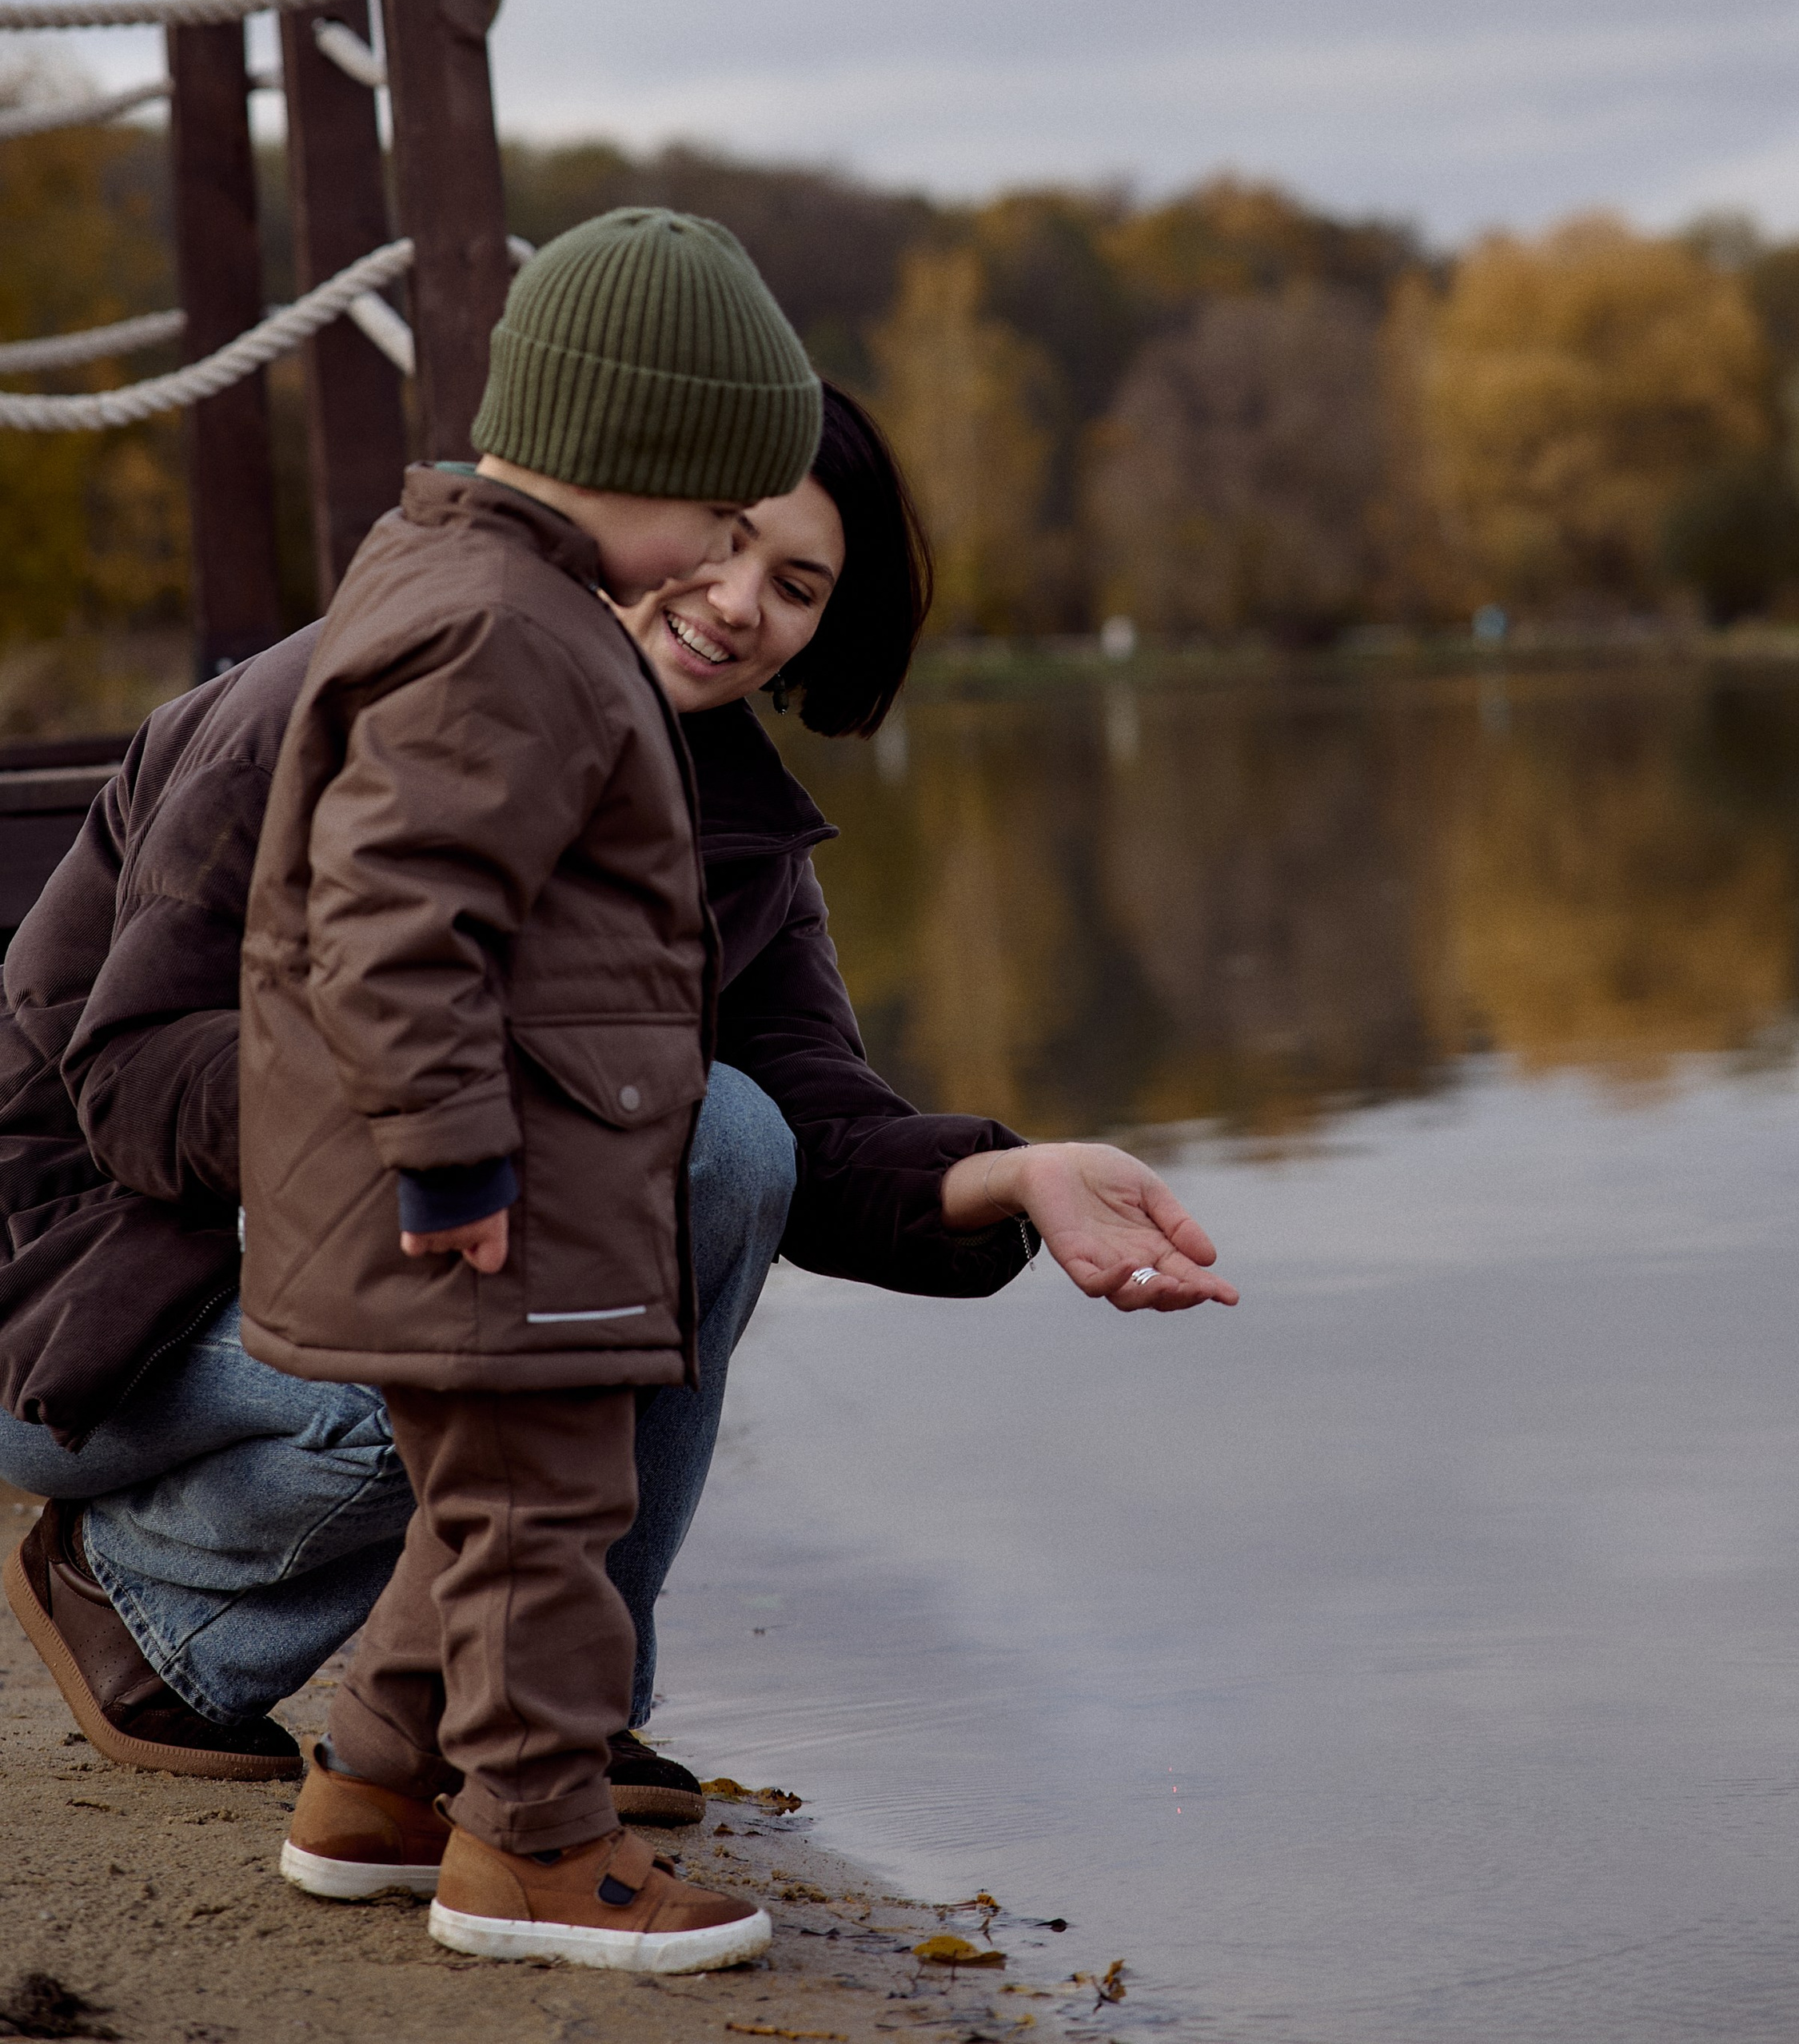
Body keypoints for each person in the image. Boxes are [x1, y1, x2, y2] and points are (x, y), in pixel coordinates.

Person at [0, 213, 1235, 1977]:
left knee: (704, 1149)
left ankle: (502, 1737)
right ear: (627, 487)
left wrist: (1014, 1175)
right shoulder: (356, 694)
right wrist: (464, 1133)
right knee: (523, 1326)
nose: (739, 599)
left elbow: (800, 1126)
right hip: (84, 1293)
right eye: (724, 538)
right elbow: (125, 1082)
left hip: (365, 1241)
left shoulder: (714, 814)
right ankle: (156, 1606)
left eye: (795, 582)